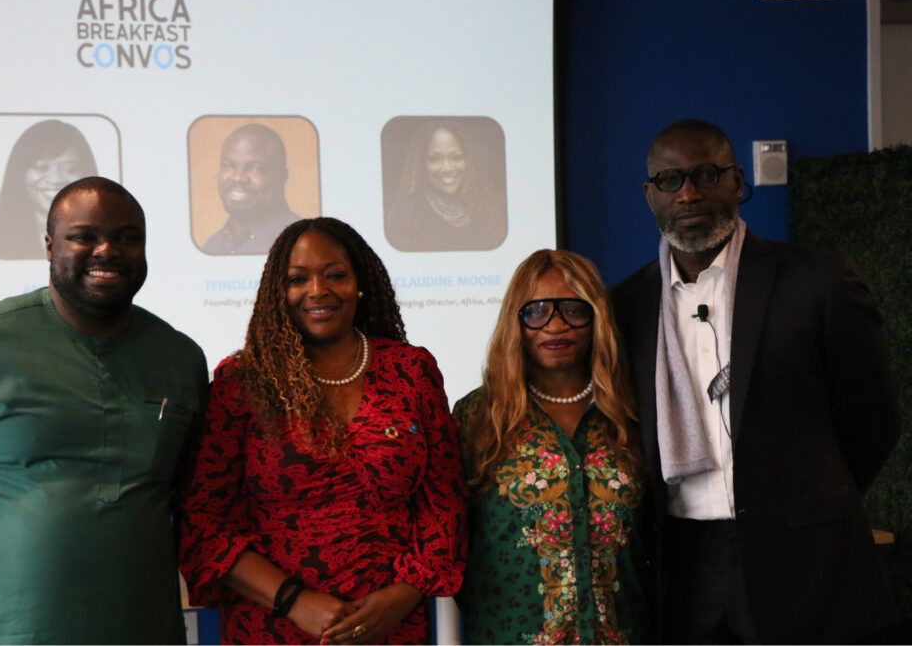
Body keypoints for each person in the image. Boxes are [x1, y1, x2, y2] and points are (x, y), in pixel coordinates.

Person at [611, 119, 901, 643]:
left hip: (806, 559)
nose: (689, 193)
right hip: (681, 567)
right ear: (649, 194)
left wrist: (803, 506)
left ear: (738, 180)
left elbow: (873, 421)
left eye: (705, 174)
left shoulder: (820, 282)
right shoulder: (626, 306)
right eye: (670, 181)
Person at [0, 177, 209, 643]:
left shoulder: (180, 358)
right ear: (49, 247)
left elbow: (190, 496)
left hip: (142, 630)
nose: (107, 251)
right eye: (83, 236)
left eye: (128, 238)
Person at [178, 216, 466, 644]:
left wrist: (402, 597)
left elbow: (444, 504)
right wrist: (295, 601)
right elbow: (205, 522)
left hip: (393, 629)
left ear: (360, 283)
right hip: (273, 627)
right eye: (298, 279)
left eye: (335, 275)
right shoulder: (241, 383)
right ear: (279, 292)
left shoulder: (411, 371)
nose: (318, 291)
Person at [455, 249, 651, 645]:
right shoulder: (477, 417)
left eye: (573, 310)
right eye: (537, 310)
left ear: (596, 317)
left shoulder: (634, 413)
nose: (556, 325)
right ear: (516, 321)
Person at [0, 119, 98, 260]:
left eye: (70, 169)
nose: (56, 179)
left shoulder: (106, 239)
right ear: (20, 174)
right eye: (42, 167)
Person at [384, 120, 506, 252]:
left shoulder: (490, 209)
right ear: (421, 163)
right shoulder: (405, 214)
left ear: (469, 160)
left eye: (456, 157)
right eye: (435, 159)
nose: (447, 168)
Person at [202, 123, 301, 255]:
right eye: (229, 165)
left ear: (282, 177)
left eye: (256, 168)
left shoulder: (302, 241)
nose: (238, 177)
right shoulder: (212, 246)